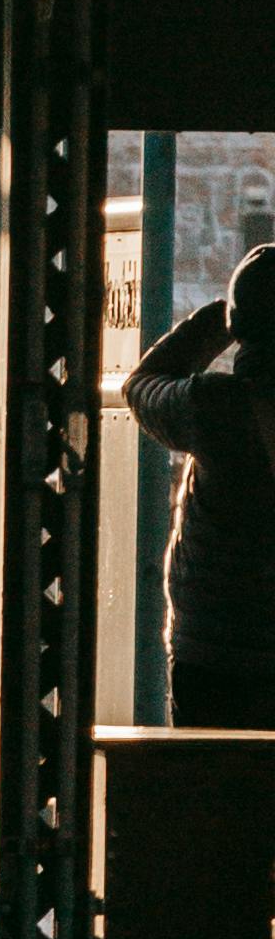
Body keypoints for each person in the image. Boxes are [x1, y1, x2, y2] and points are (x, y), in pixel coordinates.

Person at [125, 245, 275, 724]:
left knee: (212, 789)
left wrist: (217, 320)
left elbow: (143, 385)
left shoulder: (214, 408)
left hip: (213, 654)